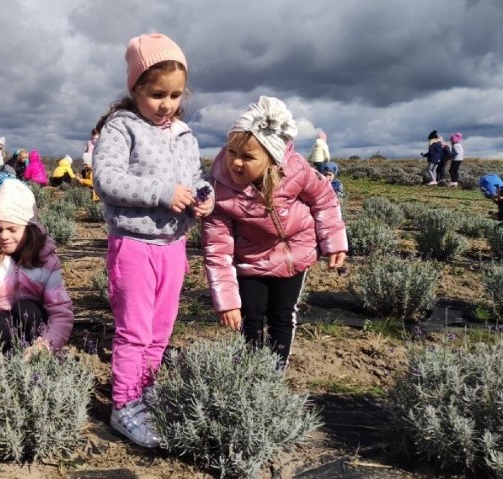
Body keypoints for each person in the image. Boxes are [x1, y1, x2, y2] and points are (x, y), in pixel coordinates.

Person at [92, 33, 214, 448]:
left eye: (175, 95)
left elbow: (195, 178)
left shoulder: (184, 134)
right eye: (157, 94)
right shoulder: (121, 127)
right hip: (133, 244)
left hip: (173, 247)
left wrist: (204, 197)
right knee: (134, 331)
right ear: (136, 88)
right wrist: (163, 192)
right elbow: (106, 180)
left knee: (161, 329)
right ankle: (124, 405)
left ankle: (147, 390)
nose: (167, 104)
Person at [203, 95, 347, 371]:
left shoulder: (296, 170)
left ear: (271, 158)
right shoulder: (219, 190)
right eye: (232, 152)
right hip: (251, 260)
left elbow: (324, 200)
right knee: (250, 315)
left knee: (282, 316)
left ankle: (274, 374)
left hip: (296, 255)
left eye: (247, 156)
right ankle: (249, 371)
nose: (235, 162)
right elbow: (216, 249)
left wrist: (335, 242)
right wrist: (226, 301)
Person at [0, 178, 74, 358]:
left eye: (12, 229)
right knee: (0, 326)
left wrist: (48, 343)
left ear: (29, 228)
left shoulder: (46, 260)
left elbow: (60, 311)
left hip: (31, 321)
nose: (3, 236)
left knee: (29, 311)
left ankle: (31, 352)